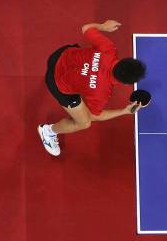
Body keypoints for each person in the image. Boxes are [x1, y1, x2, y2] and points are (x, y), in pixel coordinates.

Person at [39, 20, 146, 156]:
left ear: (124, 60)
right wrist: (124, 111)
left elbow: (85, 28)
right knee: (84, 123)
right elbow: (93, 116)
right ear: (125, 83)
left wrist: (102, 27)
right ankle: (48, 131)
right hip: (56, 82)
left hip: (59, 55)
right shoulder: (102, 92)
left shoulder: (109, 49)